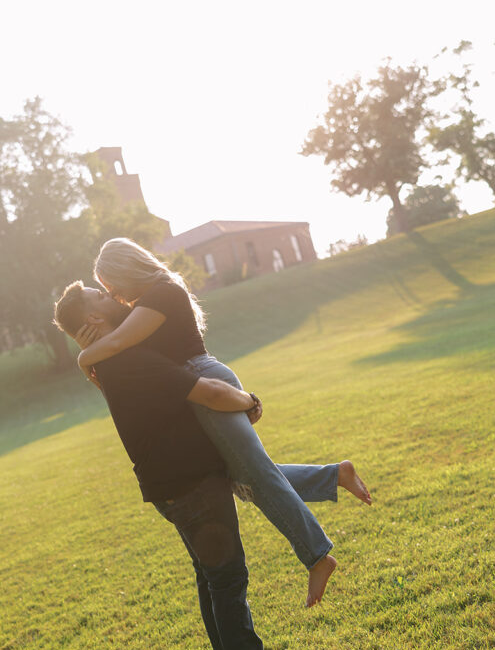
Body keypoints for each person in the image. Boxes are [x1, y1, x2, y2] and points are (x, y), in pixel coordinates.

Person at [74, 237, 372, 608]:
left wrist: (85, 358)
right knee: (239, 478)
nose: (114, 295)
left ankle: (316, 556)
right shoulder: (149, 298)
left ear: (126, 270)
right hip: (197, 386)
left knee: (256, 476)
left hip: (205, 380)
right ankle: (334, 476)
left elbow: (117, 343)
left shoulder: (161, 293)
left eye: (112, 286)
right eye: (107, 291)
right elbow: (124, 350)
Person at [53, 281, 310, 650]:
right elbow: (207, 391)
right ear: (95, 319)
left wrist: (86, 360)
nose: (111, 295)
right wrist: (249, 401)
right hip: (191, 482)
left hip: (167, 485)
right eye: (100, 297)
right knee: (228, 579)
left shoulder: (108, 364)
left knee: (210, 577)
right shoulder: (128, 357)